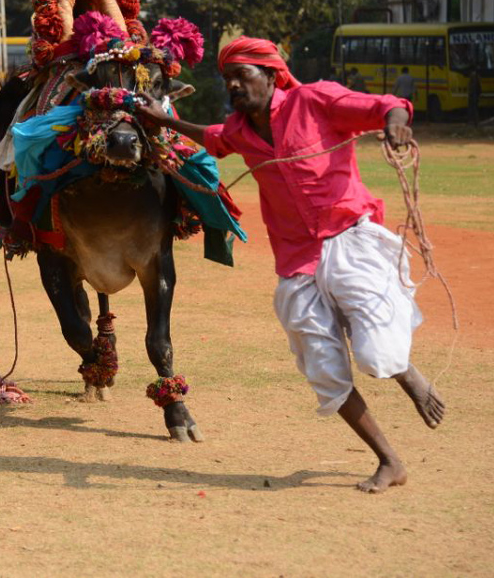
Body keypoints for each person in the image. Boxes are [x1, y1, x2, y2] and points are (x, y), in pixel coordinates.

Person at [135, 36, 444, 494]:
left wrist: (397, 124)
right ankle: (390, 461)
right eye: (228, 79)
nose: (234, 85)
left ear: (272, 74)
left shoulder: (314, 99)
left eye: (243, 75)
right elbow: (215, 140)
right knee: (323, 370)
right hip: (296, 259)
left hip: (349, 238)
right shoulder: (239, 129)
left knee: (378, 354)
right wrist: (162, 121)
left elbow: (387, 105)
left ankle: (406, 373)